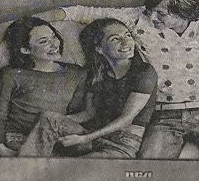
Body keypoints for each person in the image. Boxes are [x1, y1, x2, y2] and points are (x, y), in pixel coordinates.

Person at [52, 0, 199, 160]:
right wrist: (35, 21)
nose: (152, 17)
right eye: (150, 11)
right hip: (165, 116)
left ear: (184, 11)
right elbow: (80, 12)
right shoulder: (138, 20)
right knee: (147, 167)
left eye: (161, 14)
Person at [18, 19, 157, 158]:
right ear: (99, 49)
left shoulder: (144, 72)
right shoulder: (97, 75)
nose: (126, 43)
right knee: (49, 117)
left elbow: (126, 119)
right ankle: (26, 164)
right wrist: (49, 125)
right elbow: (88, 113)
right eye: (115, 39)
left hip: (121, 143)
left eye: (128, 35)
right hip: (93, 137)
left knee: (70, 167)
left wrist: (85, 138)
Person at [0, 17, 83, 156]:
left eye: (53, 36)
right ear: (25, 49)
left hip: (57, 138)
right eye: (43, 41)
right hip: (19, 139)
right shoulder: (11, 74)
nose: (54, 44)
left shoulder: (76, 73)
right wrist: (1, 148)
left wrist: (51, 127)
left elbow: (76, 113)